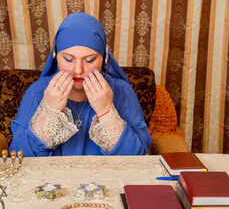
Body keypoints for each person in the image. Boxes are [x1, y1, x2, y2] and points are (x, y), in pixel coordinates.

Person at [9, 13, 152, 156]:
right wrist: (49, 112)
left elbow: (138, 157)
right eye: (68, 59)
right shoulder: (37, 92)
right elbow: (18, 157)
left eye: (89, 60)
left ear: (104, 58)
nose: (78, 70)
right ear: (55, 57)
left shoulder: (122, 91)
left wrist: (106, 111)